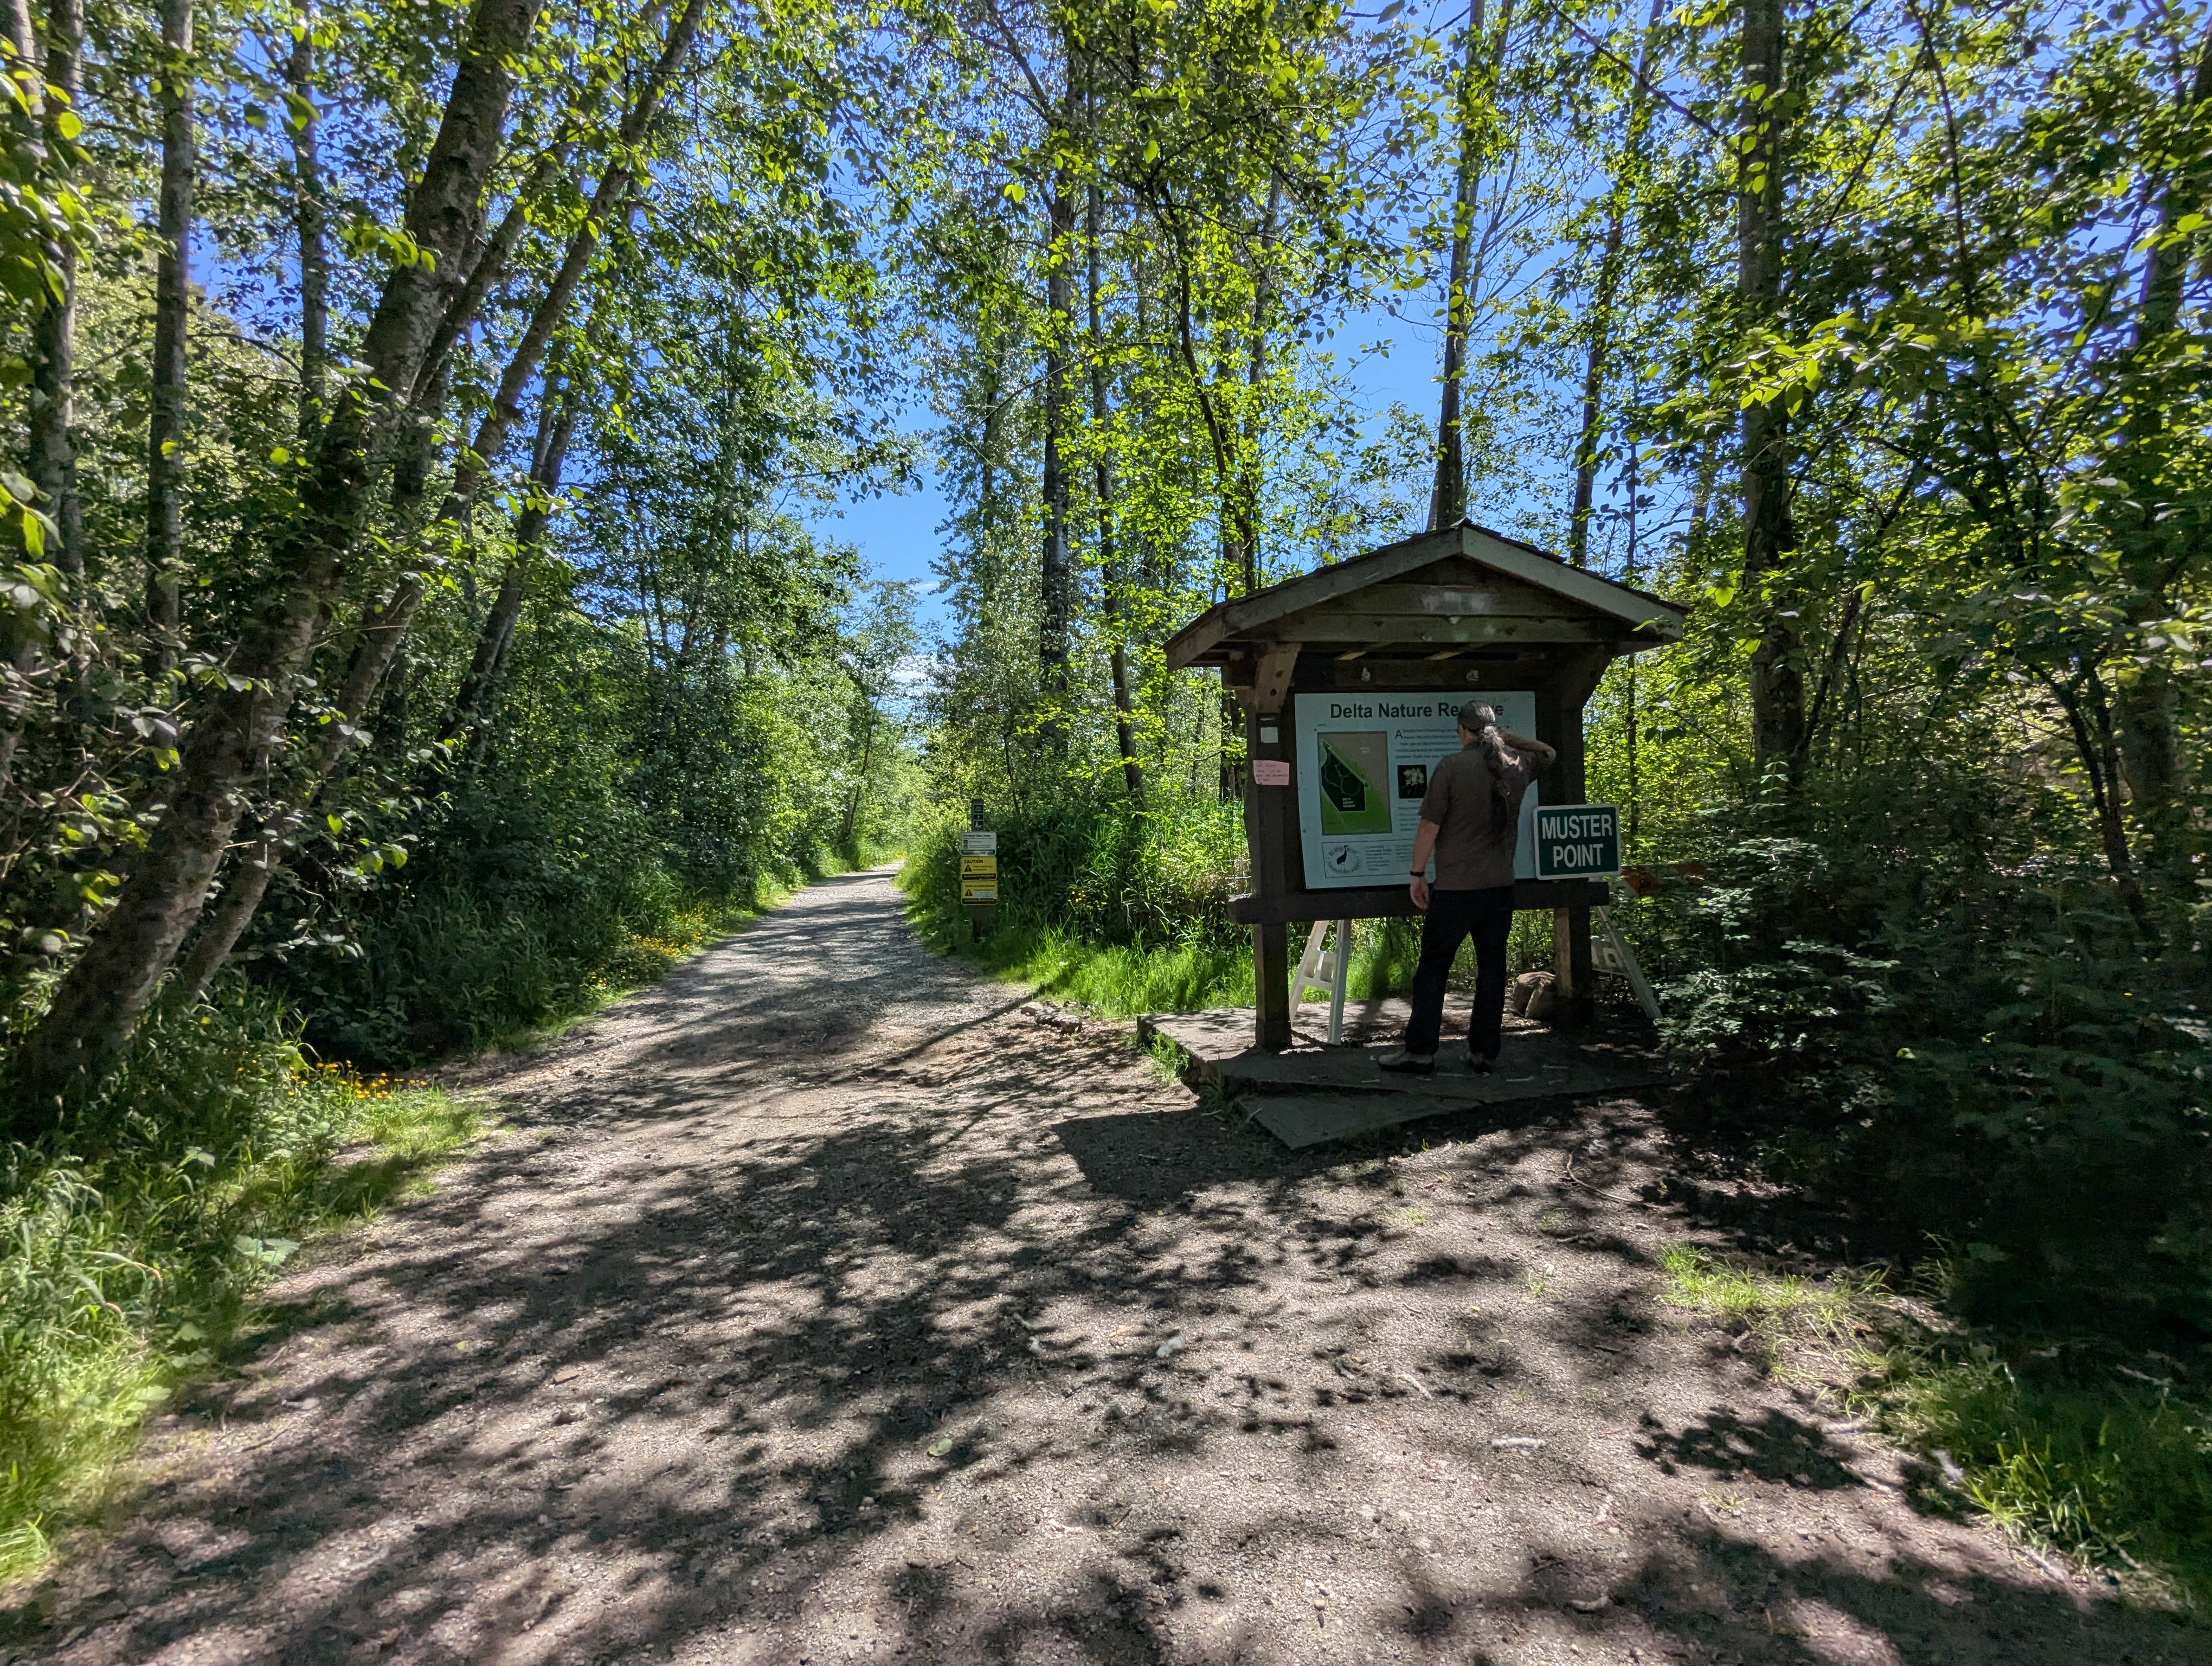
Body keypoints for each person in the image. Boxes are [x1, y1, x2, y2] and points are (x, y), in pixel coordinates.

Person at [1377, 700, 1556, 1075]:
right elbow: (1548, 753)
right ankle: (1483, 1054)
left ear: (1461, 731)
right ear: (1495, 730)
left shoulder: (1452, 768)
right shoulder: (1517, 766)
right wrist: (1507, 738)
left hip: (1456, 892)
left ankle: (1420, 1052)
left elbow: (1429, 827)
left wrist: (1417, 874)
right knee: (1492, 971)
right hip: (1499, 890)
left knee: (1433, 969)